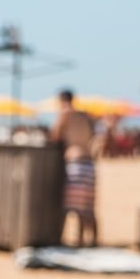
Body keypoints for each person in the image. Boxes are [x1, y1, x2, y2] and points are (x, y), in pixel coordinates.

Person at [50, 89, 98, 246]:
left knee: (74, 206)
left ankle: (77, 240)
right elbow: (93, 136)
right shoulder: (85, 116)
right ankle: (91, 240)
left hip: (75, 162)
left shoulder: (65, 113)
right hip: (90, 163)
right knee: (88, 206)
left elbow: (55, 135)